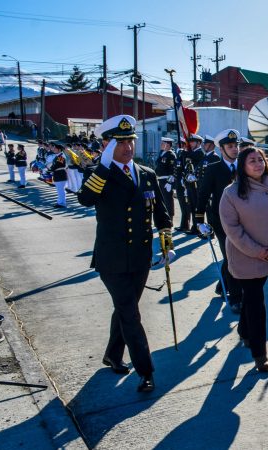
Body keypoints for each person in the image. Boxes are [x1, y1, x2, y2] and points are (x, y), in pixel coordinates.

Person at [77, 114, 173, 392]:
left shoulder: (147, 174)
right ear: (107, 145)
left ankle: (112, 354)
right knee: (131, 314)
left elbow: (162, 214)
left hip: (140, 257)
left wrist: (166, 242)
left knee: (125, 308)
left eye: (130, 141)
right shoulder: (99, 173)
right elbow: (85, 199)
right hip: (112, 258)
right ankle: (146, 371)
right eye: (120, 143)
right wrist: (104, 166)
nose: (128, 147)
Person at [219, 146, 268, 372]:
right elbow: (232, 229)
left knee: (252, 299)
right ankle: (259, 354)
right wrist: (258, 251)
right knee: (256, 302)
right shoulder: (231, 193)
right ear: (242, 165)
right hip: (246, 257)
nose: (258, 164)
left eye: (260, 160)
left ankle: (243, 330)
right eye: (252, 160)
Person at [196, 129, 244, 314]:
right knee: (233, 256)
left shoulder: (244, 167)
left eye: (236, 146)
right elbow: (203, 194)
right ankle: (235, 297)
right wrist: (199, 220)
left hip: (242, 220)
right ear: (222, 149)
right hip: (220, 220)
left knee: (234, 256)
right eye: (230, 146)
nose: (235, 149)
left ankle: (222, 285)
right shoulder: (213, 169)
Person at [155, 137, 177, 220]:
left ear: (168, 144)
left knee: (168, 200)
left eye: (163, 143)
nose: (161, 145)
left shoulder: (171, 154)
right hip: (161, 179)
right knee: (163, 199)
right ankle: (165, 217)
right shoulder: (162, 153)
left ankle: (170, 217)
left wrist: (170, 182)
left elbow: (173, 170)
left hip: (166, 180)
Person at [51, 143, 69, 208]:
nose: (54, 149)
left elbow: (59, 165)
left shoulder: (61, 156)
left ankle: (62, 203)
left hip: (60, 174)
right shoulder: (58, 156)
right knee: (59, 190)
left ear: (59, 149)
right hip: (58, 174)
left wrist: (50, 169)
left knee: (61, 189)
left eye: (55, 148)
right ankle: (60, 202)